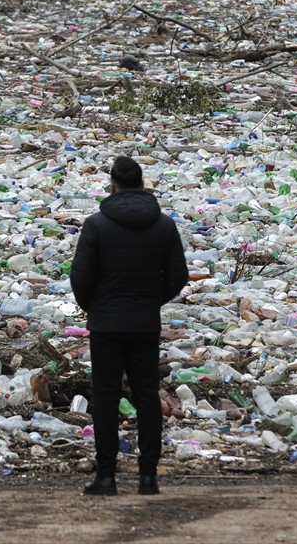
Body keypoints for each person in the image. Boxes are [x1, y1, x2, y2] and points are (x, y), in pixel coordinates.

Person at [70, 155, 189, 496]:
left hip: (106, 325)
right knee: (147, 396)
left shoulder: (95, 224)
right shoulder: (164, 225)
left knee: (106, 399)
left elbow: (80, 276)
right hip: (145, 323)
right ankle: (148, 478)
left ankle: (106, 477)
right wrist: (152, 301)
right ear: (141, 183)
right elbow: (178, 277)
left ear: (113, 185)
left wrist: (94, 307)